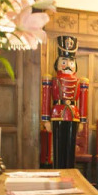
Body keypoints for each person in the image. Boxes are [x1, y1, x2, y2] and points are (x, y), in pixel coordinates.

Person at [40, 35, 89, 168]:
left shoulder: (81, 81)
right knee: (58, 147)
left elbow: (83, 102)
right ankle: (58, 171)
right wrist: (46, 120)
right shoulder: (51, 79)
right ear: (57, 63)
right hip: (57, 114)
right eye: (64, 61)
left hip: (73, 115)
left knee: (70, 147)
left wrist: (82, 121)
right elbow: (46, 99)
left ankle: (70, 172)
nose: (67, 65)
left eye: (71, 62)